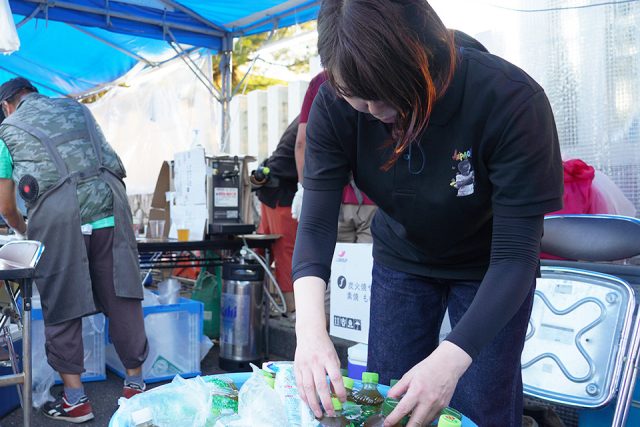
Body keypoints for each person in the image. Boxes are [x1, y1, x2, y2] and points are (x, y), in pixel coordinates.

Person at [291, 1, 563, 427]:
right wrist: (309, 330)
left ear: (421, 54)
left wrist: (452, 359)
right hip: (402, 258)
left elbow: (515, 257)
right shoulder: (334, 104)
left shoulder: (510, 100)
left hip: (489, 267)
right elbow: (316, 223)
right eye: (359, 103)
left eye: (389, 99)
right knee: (388, 404)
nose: (377, 113)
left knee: (478, 406)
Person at [0, 77, 148, 423]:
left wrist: (24, 230)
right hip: (111, 204)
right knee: (122, 293)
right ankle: (136, 388)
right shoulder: (76, 109)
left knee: (63, 300)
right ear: (34, 94)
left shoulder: (8, 128)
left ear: (6, 105)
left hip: (59, 214)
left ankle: (75, 400)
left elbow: (6, 204)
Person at [292, 71, 377, 244]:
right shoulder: (376, 65)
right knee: (367, 265)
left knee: (335, 264)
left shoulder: (321, 81)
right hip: (375, 195)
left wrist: (304, 188)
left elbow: (303, 142)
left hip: (330, 196)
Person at [254, 116, 300, 315]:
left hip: (271, 190)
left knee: (264, 249)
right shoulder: (314, 116)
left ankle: (253, 302)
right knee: (286, 250)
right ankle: (292, 308)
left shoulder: (306, 115)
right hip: (280, 193)